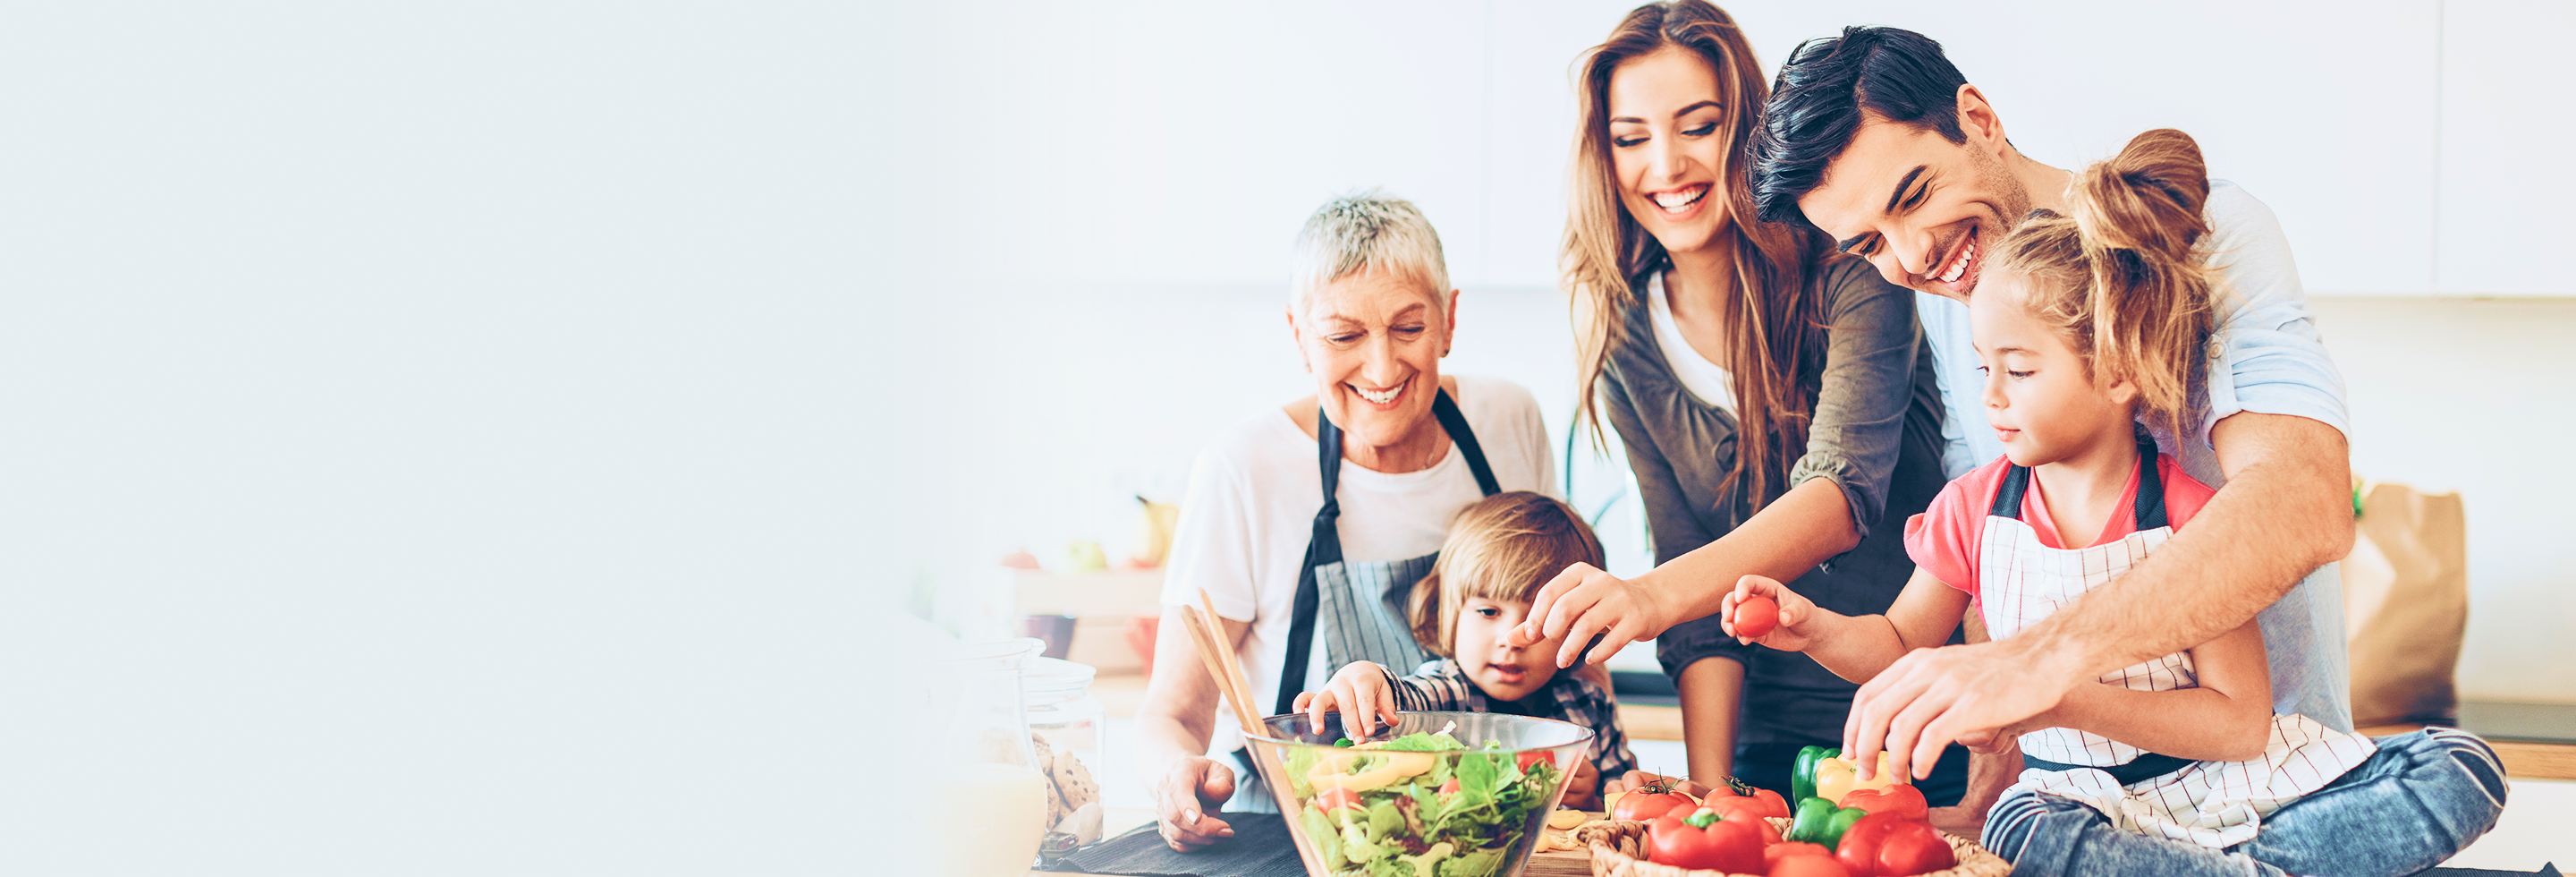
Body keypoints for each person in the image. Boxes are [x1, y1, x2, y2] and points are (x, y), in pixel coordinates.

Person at [1517, 25, 2367, 827]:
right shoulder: (1955, 306)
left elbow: (2304, 500)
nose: (1913, 258)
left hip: (2275, 782)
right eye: (1868, 245)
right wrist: (1994, 730)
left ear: (1978, 119)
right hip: (2087, 806)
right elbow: (1985, 555)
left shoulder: (2211, 233)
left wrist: (2034, 666)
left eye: (1914, 195)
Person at [1716, 129, 2504, 876]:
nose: (1989, 398)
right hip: (2086, 806)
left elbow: (2238, 723)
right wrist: (1813, 628)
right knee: (2025, 829)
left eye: (2019, 371)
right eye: (1983, 366)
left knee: (2462, 766)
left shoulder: (2198, 520)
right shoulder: (1973, 510)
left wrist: (2058, 688)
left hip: (2236, 791)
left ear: (2120, 370)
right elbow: (1898, 645)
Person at [1523, 0, 1974, 816]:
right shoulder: (1627, 338)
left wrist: (1648, 595)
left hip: (1918, 724)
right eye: (1631, 138)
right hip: (1767, 749)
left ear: (1746, 129)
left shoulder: (1855, 266)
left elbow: (1841, 500)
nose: (1664, 164)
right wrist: (1708, 795)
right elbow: (1696, 612)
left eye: (1697, 125)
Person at [1135, 191, 1564, 853]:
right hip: (1294, 840)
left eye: (1409, 328)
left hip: (1480, 834)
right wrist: (1175, 777)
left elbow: (1565, 636)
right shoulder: (1244, 468)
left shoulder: (1508, 421)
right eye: (1344, 335)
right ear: (1299, 337)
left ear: (1449, 320)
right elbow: (1173, 711)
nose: (1382, 367)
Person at [1293, 491, 1640, 810]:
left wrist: (1593, 801)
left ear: (1578, 625)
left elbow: (1630, 808)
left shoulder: (1590, 704)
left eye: (1541, 619)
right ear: (1449, 614)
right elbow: (1402, 698)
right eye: (1488, 612)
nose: (1512, 639)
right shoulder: (1447, 689)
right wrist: (1364, 676)